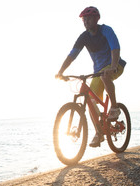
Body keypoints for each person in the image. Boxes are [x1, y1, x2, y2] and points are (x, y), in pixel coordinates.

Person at [55, 6, 126, 147]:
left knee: (105, 76)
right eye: (84, 19)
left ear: (96, 19)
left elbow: (115, 48)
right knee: (90, 102)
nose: (86, 21)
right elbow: (72, 55)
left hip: (115, 65)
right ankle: (99, 132)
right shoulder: (84, 37)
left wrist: (113, 66)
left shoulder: (106, 30)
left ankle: (114, 107)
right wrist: (61, 71)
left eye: (88, 18)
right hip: (98, 72)